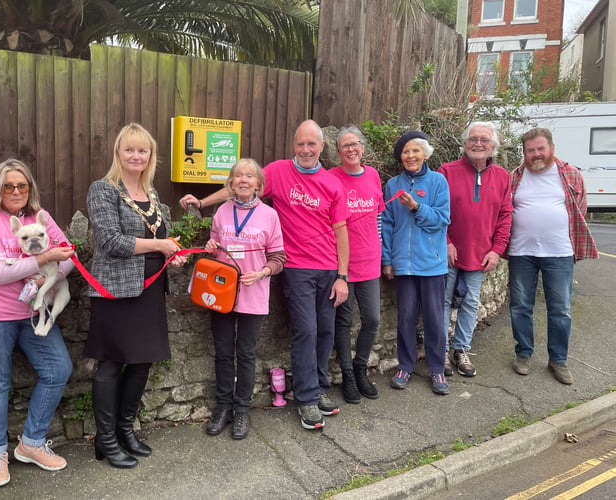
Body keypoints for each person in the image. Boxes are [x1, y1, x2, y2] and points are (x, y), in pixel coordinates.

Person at [180, 119, 350, 430]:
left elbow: (341, 231)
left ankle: (315, 388)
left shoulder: (329, 184)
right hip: (295, 268)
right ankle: (306, 397)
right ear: (293, 145)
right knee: (306, 332)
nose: (306, 149)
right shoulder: (277, 172)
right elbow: (234, 190)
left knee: (326, 332)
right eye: (301, 143)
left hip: (325, 268)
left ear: (322, 147)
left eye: (312, 144)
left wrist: (343, 274)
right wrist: (202, 203)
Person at [0, 159, 75, 487]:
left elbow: (69, 254)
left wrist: (42, 281)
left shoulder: (39, 218)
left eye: (22, 186)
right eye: (8, 186)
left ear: (30, 189)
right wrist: (44, 260)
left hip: (31, 311)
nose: (15, 191)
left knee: (58, 370)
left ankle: (31, 443)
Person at [85, 123, 187, 468]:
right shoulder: (103, 190)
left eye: (142, 150)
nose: (136, 156)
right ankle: (106, 439)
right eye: (129, 149)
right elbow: (111, 242)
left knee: (142, 361)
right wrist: (160, 245)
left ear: (150, 156)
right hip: (115, 290)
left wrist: (172, 255)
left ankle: (125, 431)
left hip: (150, 287)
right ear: (118, 153)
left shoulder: (152, 193)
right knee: (112, 362)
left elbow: (163, 239)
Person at [203, 159, 286, 440]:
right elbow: (215, 252)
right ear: (231, 182)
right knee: (224, 353)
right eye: (238, 175)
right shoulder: (222, 212)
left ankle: (242, 411)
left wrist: (263, 272)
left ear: (258, 184)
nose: (243, 180)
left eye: (249, 176)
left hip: (253, 293)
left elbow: (279, 258)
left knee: (247, 354)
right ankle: (223, 408)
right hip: (222, 294)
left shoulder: (269, 216)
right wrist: (211, 248)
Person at [508, 128, 598, 385]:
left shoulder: (570, 174)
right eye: (530, 150)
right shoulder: (515, 176)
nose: (535, 154)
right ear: (524, 152)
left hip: (559, 252)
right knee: (520, 306)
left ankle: (558, 360)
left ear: (551, 148)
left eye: (540, 149)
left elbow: (580, 208)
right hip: (521, 251)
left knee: (560, 310)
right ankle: (523, 353)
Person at [437, 122, 512, 378]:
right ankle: (441, 351)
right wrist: (445, 241)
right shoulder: (446, 171)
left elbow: (505, 215)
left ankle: (461, 349)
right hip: (448, 252)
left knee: (470, 303)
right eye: (473, 139)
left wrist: (497, 250)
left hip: (482, 253)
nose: (478, 143)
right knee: (442, 302)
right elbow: (437, 212)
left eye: (484, 140)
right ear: (464, 143)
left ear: (493, 146)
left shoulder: (503, 176)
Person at [382, 131, 451, 395]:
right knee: (406, 318)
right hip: (403, 265)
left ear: (425, 154)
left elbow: (442, 220)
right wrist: (387, 260)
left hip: (432, 264)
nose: (410, 156)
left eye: (415, 151)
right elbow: (386, 225)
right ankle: (406, 366)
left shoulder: (438, 182)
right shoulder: (392, 185)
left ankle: (436, 369)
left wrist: (415, 206)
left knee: (434, 319)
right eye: (405, 152)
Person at [330, 126, 384, 404]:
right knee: (343, 322)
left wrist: (383, 254)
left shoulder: (373, 175)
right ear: (338, 151)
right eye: (345, 146)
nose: (351, 150)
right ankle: (348, 374)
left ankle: (361, 368)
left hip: (371, 261)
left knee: (372, 319)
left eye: (355, 145)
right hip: (343, 264)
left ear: (362, 148)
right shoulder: (330, 178)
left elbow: (378, 219)